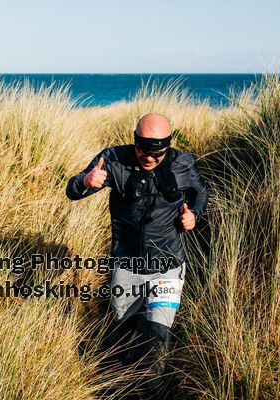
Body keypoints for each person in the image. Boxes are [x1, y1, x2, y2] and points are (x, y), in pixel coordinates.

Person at [65, 113, 208, 396]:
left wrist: (195, 216)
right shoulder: (114, 160)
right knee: (126, 325)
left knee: (157, 333)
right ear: (134, 140)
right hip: (127, 263)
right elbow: (72, 191)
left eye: (157, 152)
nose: (149, 157)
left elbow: (201, 193)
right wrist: (85, 180)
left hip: (168, 264)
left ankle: (148, 390)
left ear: (168, 146)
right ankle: (126, 370)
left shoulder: (183, 164)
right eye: (143, 149)